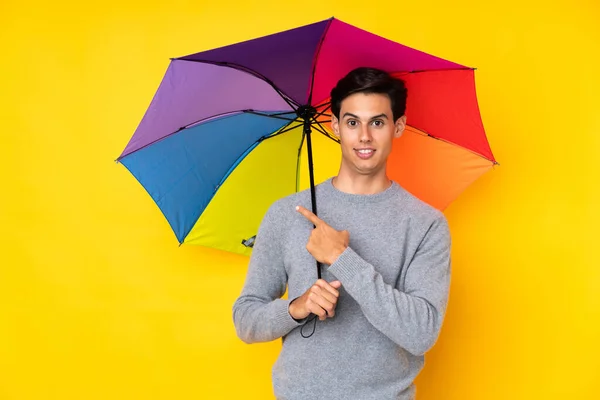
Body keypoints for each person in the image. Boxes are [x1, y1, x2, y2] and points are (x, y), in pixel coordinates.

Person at [232, 67, 452, 400]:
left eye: (377, 122)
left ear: (399, 127)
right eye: (352, 122)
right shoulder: (287, 214)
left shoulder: (425, 224)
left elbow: (421, 333)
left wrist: (341, 259)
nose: (364, 136)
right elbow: (245, 319)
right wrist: (297, 307)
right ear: (336, 127)